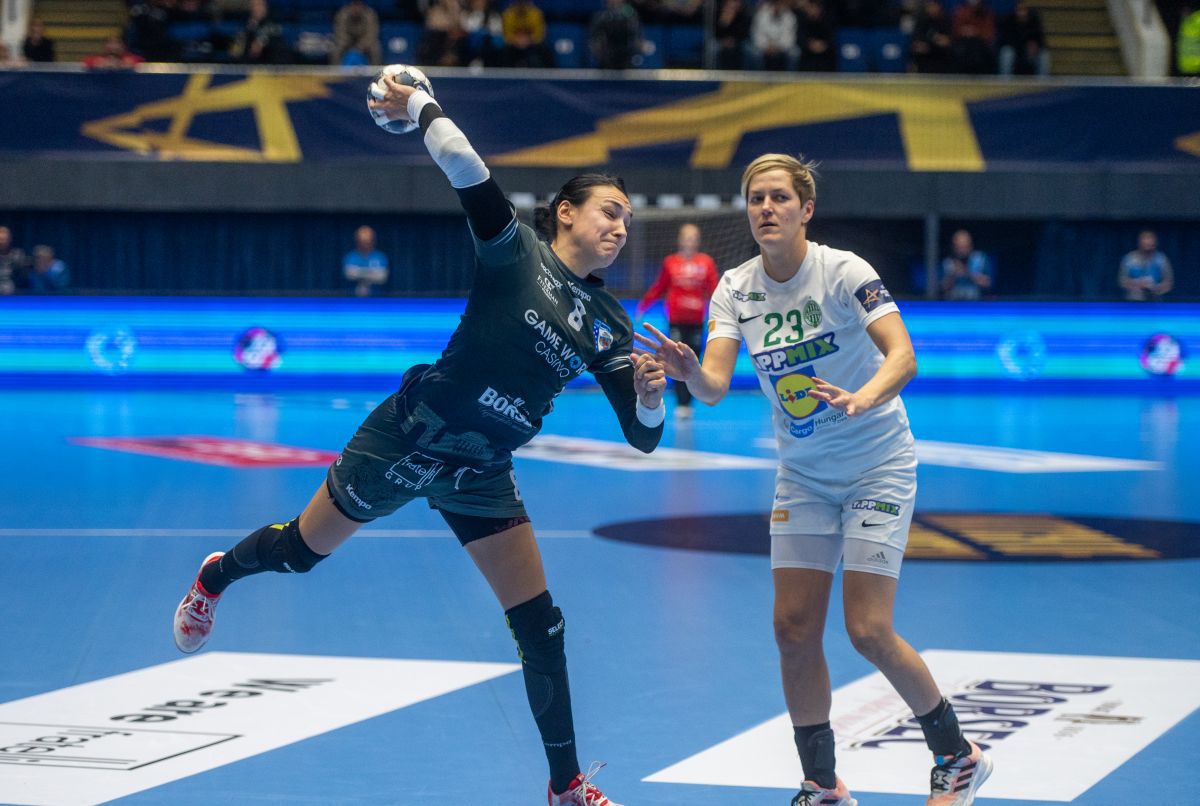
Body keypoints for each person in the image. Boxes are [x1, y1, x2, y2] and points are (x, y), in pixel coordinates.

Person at [172, 68, 667, 806]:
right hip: (410, 436)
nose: (621, 227)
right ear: (565, 213)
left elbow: (644, 437)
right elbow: (467, 168)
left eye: (628, 218)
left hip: (481, 468)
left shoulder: (612, 324)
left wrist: (653, 398)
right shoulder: (516, 253)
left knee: (541, 626)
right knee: (301, 553)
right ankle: (216, 576)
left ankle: (565, 787)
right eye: (609, 211)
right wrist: (422, 104)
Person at [635, 153, 993, 806]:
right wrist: (686, 372)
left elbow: (903, 356)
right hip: (803, 477)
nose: (765, 208)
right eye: (755, 199)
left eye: (778, 197)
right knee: (793, 630)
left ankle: (956, 755)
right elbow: (714, 386)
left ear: (806, 209)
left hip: (877, 465)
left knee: (868, 630)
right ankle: (822, 784)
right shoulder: (735, 288)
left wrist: (864, 397)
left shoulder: (845, 272)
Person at [635, 223, 719, 418]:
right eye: (687, 237)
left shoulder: (706, 262)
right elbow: (659, 287)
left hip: (696, 321)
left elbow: (715, 291)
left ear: (698, 241)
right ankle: (681, 402)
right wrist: (643, 306)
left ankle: (689, 402)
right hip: (676, 320)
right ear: (680, 240)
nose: (690, 241)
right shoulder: (671, 262)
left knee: (693, 359)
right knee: (676, 358)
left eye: (693, 237)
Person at [1119, 229, 1174, 301]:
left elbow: (1169, 282)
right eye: (1145, 239)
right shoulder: (1129, 258)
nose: (1148, 242)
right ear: (1139, 242)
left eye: (1150, 239)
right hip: (1133, 301)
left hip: (1156, 301)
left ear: (1155, 243)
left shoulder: (1162, 259)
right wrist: (1137, 284)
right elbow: (1122, 281)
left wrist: (1157, 287)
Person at [998, 0, 1048, 76]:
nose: (1021, 13)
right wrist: (1022, 47)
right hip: (1015, 51)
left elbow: (1041, 39)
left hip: (1031, 54)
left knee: (1044, 55)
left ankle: (1042, 81)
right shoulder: (1009, 21)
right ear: (1015, 10)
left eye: (1023, 10)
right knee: (1006, 53)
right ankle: (1005, 80)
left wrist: (1035, 46)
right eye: (1019, 10)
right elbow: (1005, 40)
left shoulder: (1034, 21)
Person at [939, 229, 992, 300]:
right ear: (953, 247)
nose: (962, 251)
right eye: (958, 247)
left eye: (965, 247)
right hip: (953, 302)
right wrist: (953, 275)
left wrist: (967, 273)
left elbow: (988, 284)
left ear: (971, 246)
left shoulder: (980, 259)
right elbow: (941, 287)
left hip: (976, 302)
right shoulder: (947, 262)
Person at [230, 0, 287, 65]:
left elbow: (273, 32)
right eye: (255, 6)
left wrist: (261, 41)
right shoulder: (246, 23)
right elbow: (235, 49)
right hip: (248, 63)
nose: (258, 8)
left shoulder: (273, 21)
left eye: (260, 5)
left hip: (272, 63)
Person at [589, 0, 641, 70]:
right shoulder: (601, 16)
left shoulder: (630, 13)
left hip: (626, 58)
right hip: (607, 58)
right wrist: (598, 47)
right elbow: (594, 39)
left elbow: (636, 36)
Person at [748, 0, 800, 71]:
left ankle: (789, 77)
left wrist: (778, 47)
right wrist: (766, 46)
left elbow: (790, 37)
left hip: (782, 47)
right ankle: (759, 77)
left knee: (795, 53)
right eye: (776, 5)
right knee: (754, 52)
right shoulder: (761, 14)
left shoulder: (790, 17)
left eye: (781, 5)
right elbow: (756, 34)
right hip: (763, 46)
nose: (778, 7)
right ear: (772, 5)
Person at [501, 0, 553, 68]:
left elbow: (539, 35)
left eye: (524, 2)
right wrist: (516, 40)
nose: (522, 5)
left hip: (532, 44)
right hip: (513, 45)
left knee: (545, 49)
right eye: (519, 2)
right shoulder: (508, 14)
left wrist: (528, 40)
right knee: (503, 51)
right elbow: (507, 34)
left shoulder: (536, 14)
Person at [331, 0, 382, 66]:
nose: (356, 8)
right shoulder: (342, 14)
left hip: (364, 41)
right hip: (347, 41)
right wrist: (349, 44)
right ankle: (335, 71)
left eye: (358, 5)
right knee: (336, 49)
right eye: (354, 5)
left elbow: (371, 35)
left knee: (375, 48)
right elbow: (340, 33)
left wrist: (359, 47)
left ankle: (374, 70)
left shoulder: (370, 14)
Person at [950, 0, 996, 74]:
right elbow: (955, 31)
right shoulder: (960, 11)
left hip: (981, 45)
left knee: (976, 45)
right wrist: (965, 31)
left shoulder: (987, 12)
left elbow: (989, 34)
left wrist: (976, 32)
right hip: (964, 43)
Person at [343, 225, 389, 296]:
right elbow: (349, 274)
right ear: (357, 241)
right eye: (362, 241)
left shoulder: (380, 257)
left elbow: (382, 276)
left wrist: (359, 272)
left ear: (373, 241)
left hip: (377, 298)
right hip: (352, 298)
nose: (365, 244)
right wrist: (372, 273)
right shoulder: (351, 256)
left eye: (367, 241)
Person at [911, 0, 953, 73]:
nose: (931, 8)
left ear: (939, 6)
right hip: (924, 61)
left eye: (933, 5)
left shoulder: (945, 22)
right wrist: (935, 43)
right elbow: (917, 45)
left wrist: (930, 45)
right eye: (929, 6)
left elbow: (947, 42)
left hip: (942, 60)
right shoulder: (921, 22)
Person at [712, 0, 752, 70]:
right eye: (730, 2)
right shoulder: (719, 12)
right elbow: (715, 33)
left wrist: (734, 41)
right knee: (712, 48)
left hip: (738, 41)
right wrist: (724, 22)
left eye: (735, 2)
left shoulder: (743, 14)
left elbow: (744, 33)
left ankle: (744, 74)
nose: (732, 5)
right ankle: (715, 73)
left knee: (749, 51)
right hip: (720, 41)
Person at [0, 226, 29, 295]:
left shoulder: (18, 255)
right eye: (0, 239)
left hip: (14, 293)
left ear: (9, 239)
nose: (1, 242)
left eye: (4, 239)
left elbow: (23, 277)